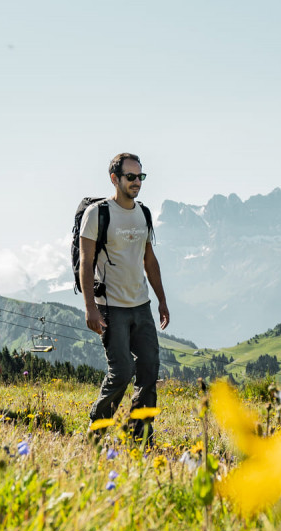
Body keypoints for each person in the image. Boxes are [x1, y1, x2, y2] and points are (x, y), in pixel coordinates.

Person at [79, 152, 169, 443]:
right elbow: (86, 260)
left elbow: (149, 259)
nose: (137, 182)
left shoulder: (143, 213)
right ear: (114, 178)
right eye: (131, 177)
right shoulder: (98, 214)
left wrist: (162, 301)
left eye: (140, 176)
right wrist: (91, 308)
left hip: (140, 305)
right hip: (111, 308)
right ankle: (97, 429)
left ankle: (139, 433)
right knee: (121, 372)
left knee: (148, 368)